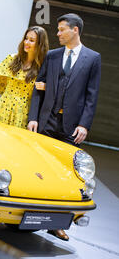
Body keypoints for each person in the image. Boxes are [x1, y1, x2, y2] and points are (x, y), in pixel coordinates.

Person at [27, 13, 101, 241]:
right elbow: (38, 89)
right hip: (46, 122)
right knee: (38, 170)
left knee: (65, 176)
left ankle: (58, 224)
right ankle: (28, 216)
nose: (57, 34)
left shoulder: (92, 58)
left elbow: (92, 96)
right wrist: (33, 117)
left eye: (61, 30)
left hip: (71, 126)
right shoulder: (52, 56)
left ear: (75, 30)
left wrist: (84, 125)